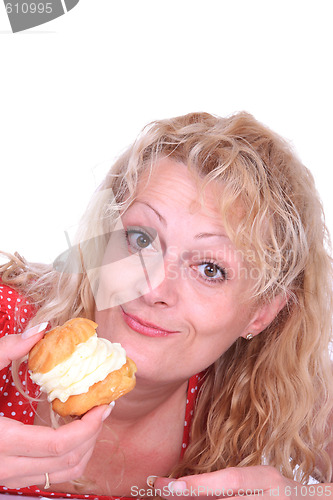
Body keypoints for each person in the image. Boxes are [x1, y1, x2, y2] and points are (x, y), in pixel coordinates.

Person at [0, 111, 332, 500]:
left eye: (210, 268)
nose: (154, 288)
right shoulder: (10, 321)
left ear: (262, 312)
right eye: (140, 240)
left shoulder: (278, 394)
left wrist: (306, 496)